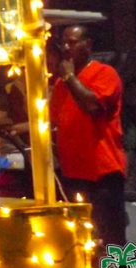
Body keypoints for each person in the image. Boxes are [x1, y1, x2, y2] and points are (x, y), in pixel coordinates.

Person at [49, 25, 126, 247]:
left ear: (88, 44)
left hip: (101, 171)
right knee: (80, 236)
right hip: (72, 171)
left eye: (72, 42)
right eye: (63, 43)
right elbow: (57, 121)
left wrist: (71, 77)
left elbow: (93, 106)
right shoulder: (61, 83)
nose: (66, 47)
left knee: (109, 237)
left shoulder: (105, 73)